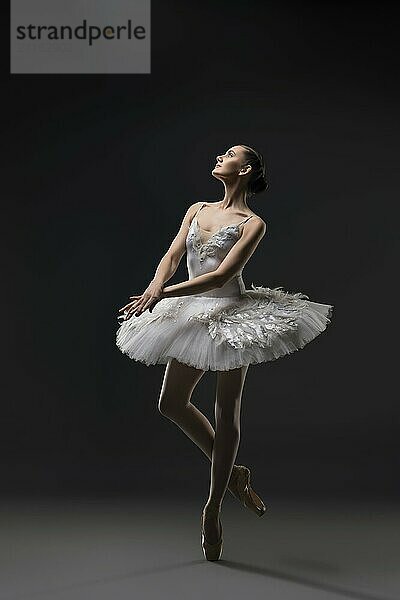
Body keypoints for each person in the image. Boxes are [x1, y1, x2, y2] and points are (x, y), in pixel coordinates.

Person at [116, 144, 334, 561]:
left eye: (229, 153)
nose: (220, 155)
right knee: (170, 403)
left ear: (245, 168)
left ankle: (212, 509)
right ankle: (236, 476)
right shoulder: (197, 208)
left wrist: (161, 294)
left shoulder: (253, 223)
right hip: (191, 312)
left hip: (234, 315)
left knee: (226, 410)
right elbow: (173, 254)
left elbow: (221, 274)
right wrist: (154, 287)